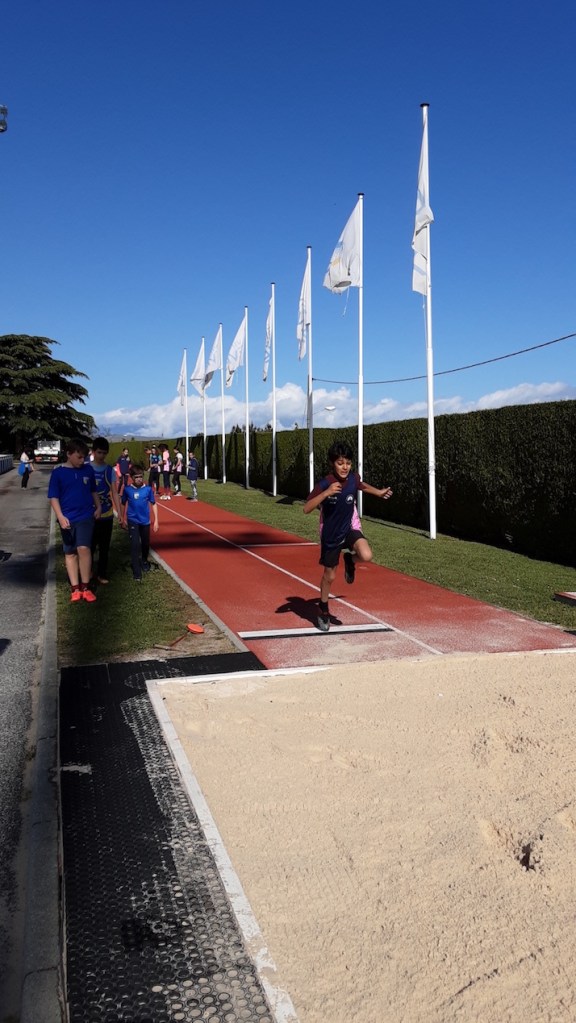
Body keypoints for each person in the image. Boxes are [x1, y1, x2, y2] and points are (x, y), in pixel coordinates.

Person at [303, 440, 393, 632]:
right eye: (340, 463)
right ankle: (323, 608)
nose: (345, 467)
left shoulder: (353, 479)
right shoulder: (325, 483)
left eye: (348, 463)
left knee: (366, 555)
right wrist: (326, 493)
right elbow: (307, 508)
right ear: (332, 463)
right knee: (330, 576)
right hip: (331, 534)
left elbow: (361, 485)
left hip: (350, 527)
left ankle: (350, 559)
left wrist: (378, 492)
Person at [48, 437, 101, 603]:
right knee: (70, 552)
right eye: (79, 457)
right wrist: (60, 516)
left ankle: (86, 587)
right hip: (67, 519)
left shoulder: (88, 470)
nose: (82, 460)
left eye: (84, 457)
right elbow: (53, 497)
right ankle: (75, 588)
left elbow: (93, 491)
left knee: (84, 548)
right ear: (68, 454)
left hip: (86, 516)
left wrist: (98, 507)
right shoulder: (58, 473)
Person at [90, 437, 122, 584]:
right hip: (89, 515)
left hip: (107, 515)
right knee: (89, 546)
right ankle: (88, 573)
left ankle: (101, 574)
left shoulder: (110, 470)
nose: (101, 456)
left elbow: (114, 492)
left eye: (104, 453)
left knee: (104, 547)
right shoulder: (86, 468)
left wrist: (119, 512)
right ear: (93, 452)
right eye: (99, 452)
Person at [121, 463, 159, 581]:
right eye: (136, 477)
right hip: (133, 520)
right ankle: (137, 573)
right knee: (135, 545)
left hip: (145, 521)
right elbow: (123, 503)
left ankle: (144, 561)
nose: (139, 479)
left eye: (141, 476)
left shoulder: (147, 489)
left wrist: (156, 521)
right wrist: (122, 518)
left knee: (145, 544)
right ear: (132, 477)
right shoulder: (127, 490)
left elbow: (153, 504)